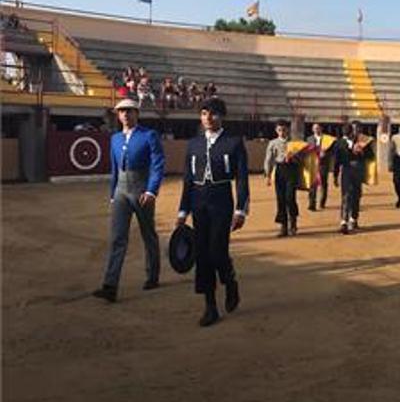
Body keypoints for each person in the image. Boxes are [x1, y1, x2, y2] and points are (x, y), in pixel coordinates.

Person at [176, 98, 249, 327]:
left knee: (217, 250)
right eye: (205, 113)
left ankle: (230, 280)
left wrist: (241, 210)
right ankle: (210, 306)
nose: (208, 118)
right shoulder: (194, 144)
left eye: (214, 114)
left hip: (221, 200)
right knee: (202, 255)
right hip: (198, 201)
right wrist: (182, 210)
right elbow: (188, 180)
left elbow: (242, 179)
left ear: (222, 116)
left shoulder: (233, 142)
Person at [92, 99, 165, 303]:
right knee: (117, 238)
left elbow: (158, 164)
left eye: (129, 111)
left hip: (142, 188)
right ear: (118, 115)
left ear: (136, 113)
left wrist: (151, 190)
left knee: (148, 233)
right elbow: (115, 168)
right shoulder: (115, 138)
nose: (125, 114)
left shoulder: (148, 135)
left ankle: (152, 275)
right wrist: (113, 194)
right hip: (121, 190)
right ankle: (110, 285)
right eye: (121, 111)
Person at [334, 121, 373, 234]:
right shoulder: (340, 143)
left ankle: (353, 219)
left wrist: (361, 152)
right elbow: (337, 161)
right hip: (346, 170)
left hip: (358, 170)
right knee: (346, 196)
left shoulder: (362, 142)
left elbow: (371, 156)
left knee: (356, 195)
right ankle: (343, 222)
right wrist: (335, 176)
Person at [264, 119, 298, 237]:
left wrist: (293, 158)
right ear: (276, 131)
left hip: (291, 170)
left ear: (288, 130)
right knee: (280, 199)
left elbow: (302, 159)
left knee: (290, 197)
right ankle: (283, 226)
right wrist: (268, 175)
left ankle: (293, 224)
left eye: (284, 130)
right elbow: (268, 159)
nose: (282, 132)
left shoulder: (294, 143)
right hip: (279, 170)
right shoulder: (273, 143)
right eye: (279, 130)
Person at [307, 123, 334, 211]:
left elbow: (332, 151)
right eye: (314, 128)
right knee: (312, 184)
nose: (316, 130)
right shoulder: (309, 139)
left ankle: (322, 202)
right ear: (312, 129)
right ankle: (312, 203)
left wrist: (326, 154)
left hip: (323, 164)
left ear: (321, 129)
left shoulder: (327, 139)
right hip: (313, 164)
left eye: (318, 128)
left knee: (323, 183)